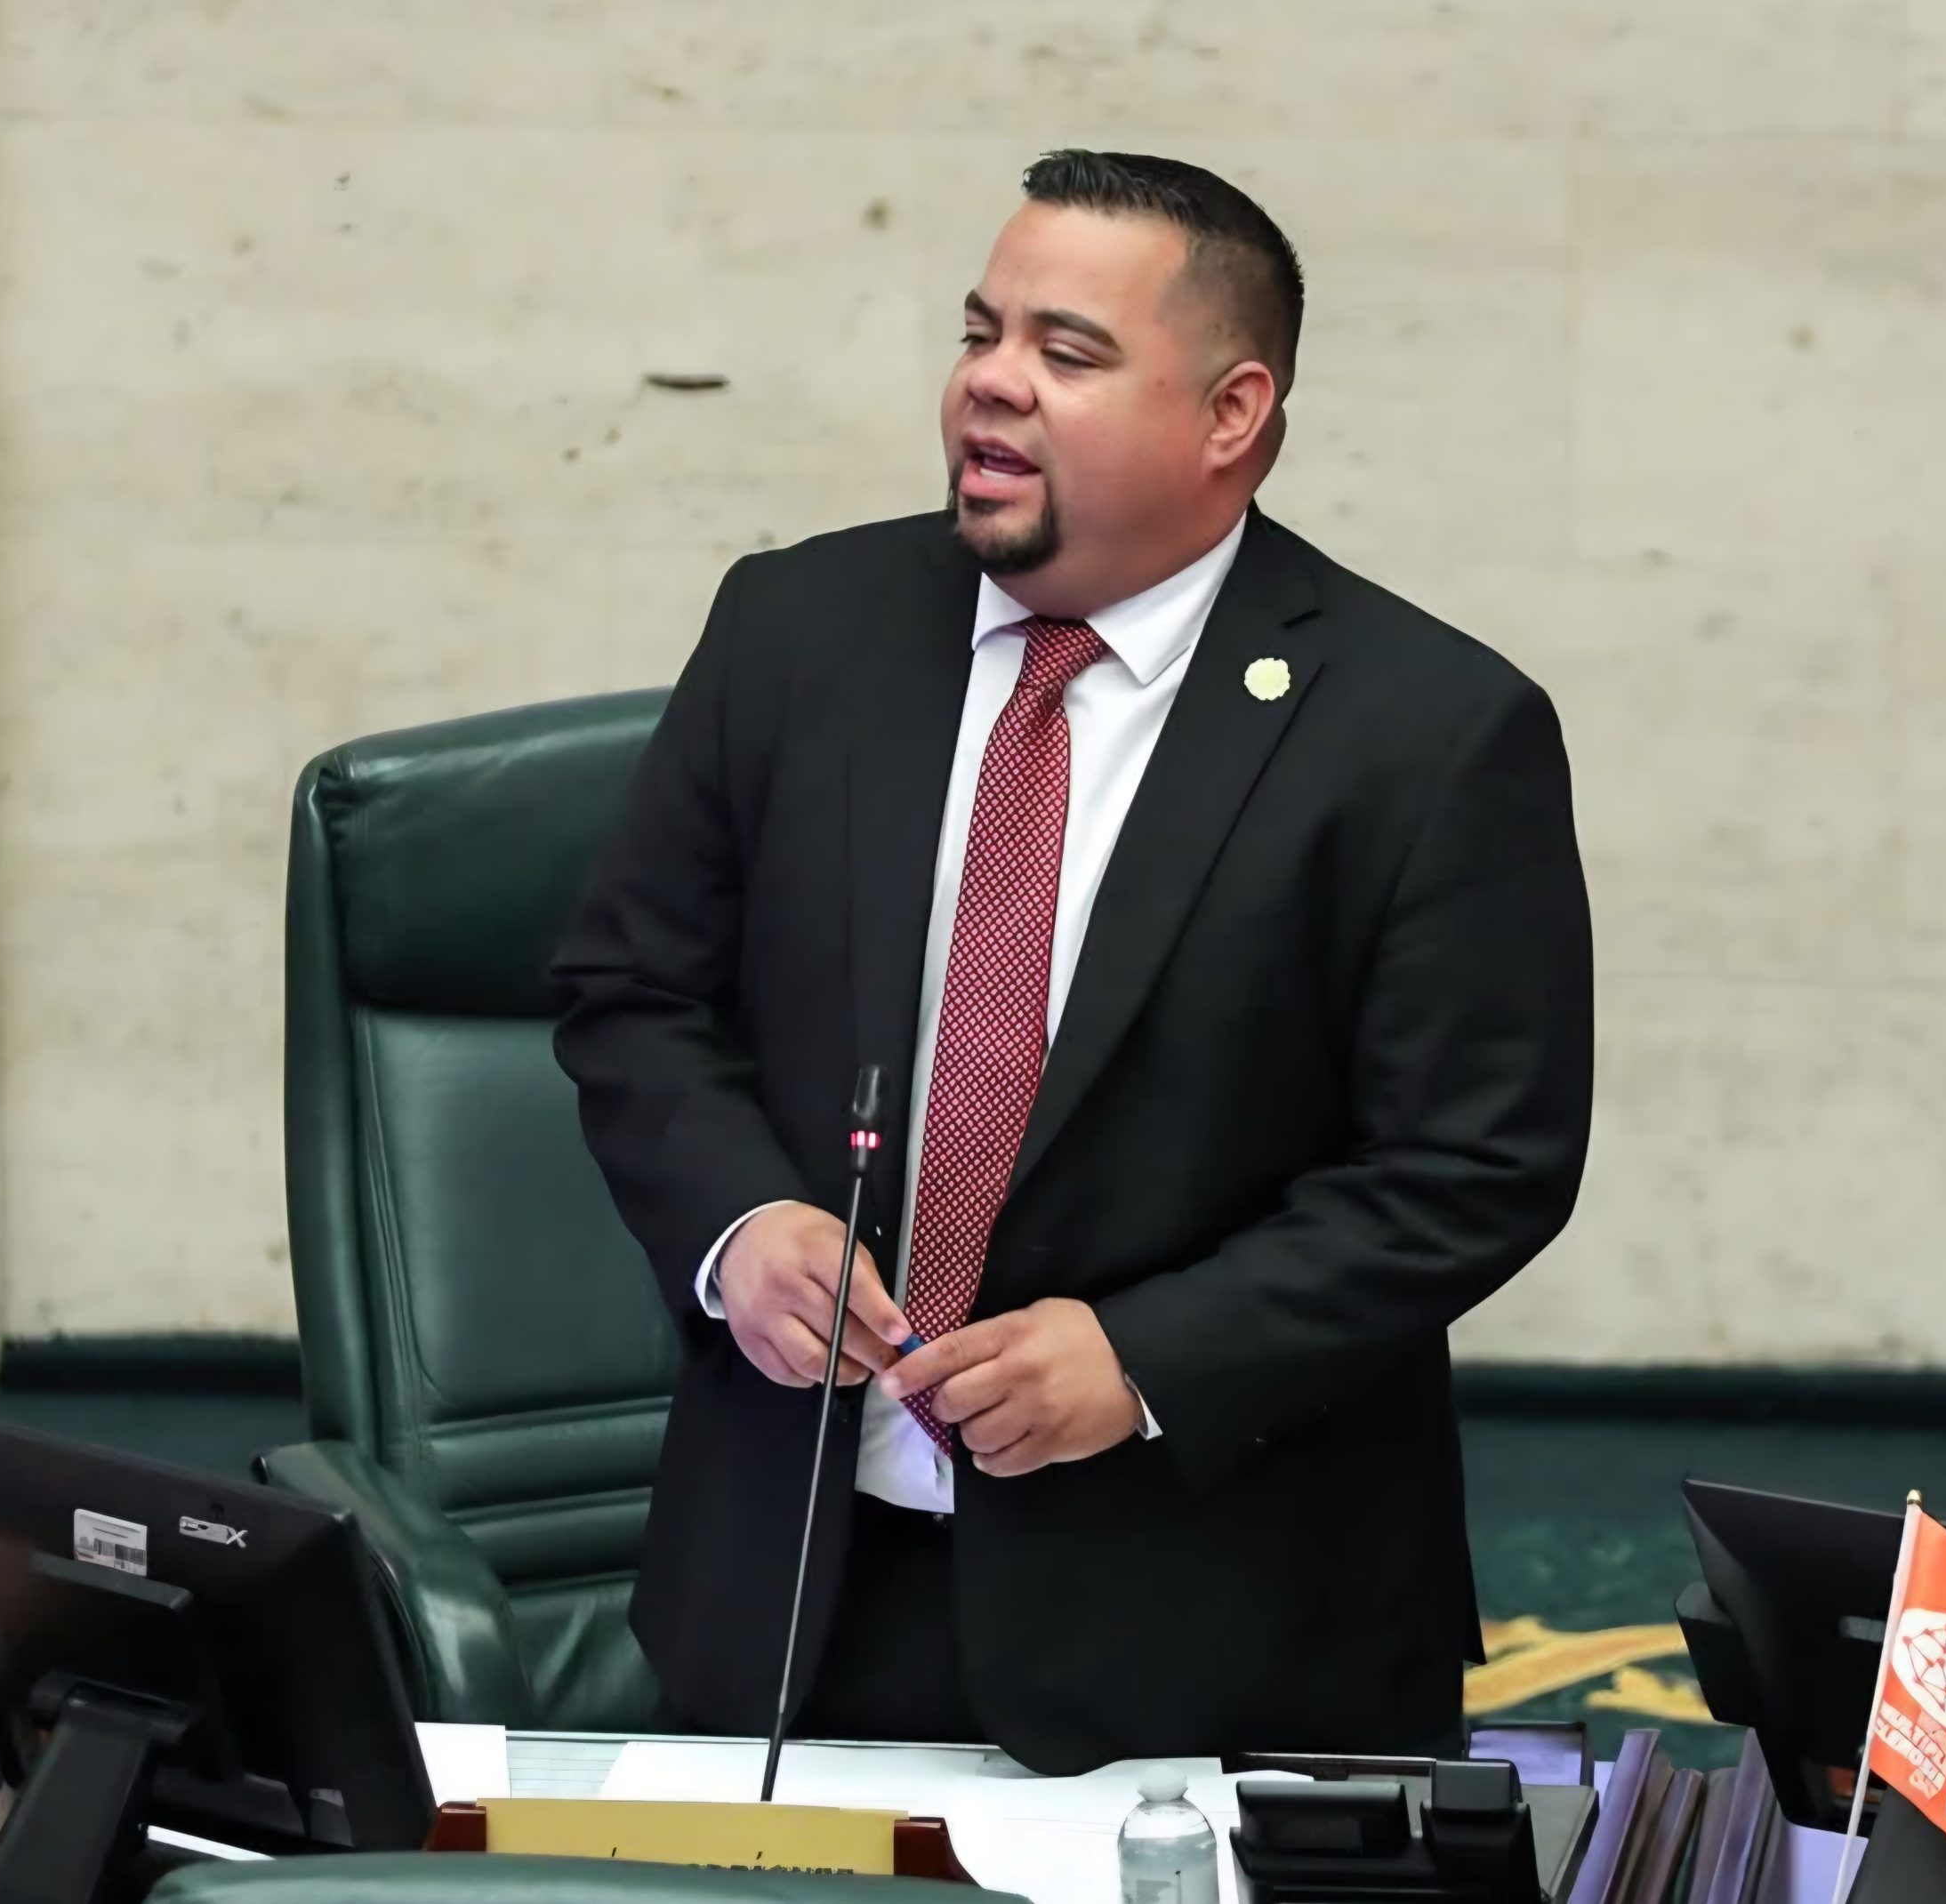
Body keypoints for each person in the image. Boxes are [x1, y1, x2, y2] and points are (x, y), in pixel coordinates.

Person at [553, 149, 1594, 1776]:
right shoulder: (798, 630)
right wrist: (740, 1224)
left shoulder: (1430, 734)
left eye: (1069, 351)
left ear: (1232, 413)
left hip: (1218, 1624)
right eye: (981, 332)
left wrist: (1149, 1359)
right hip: (798, 1587)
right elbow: (634, 993)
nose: (991, 380)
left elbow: (1476, 1163)